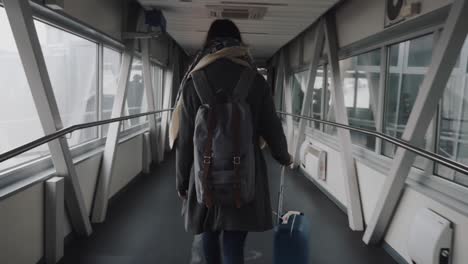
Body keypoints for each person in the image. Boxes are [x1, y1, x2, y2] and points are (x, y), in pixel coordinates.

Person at [175, 19, 291, 264]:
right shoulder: (256, 81)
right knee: (234, 241)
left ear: (209, 43)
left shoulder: (194, 81)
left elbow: (185, 140)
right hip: (245, 173)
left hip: (203, 173)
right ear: (239, 43)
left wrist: (183, 182)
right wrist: (283, 156)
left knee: (208, 234)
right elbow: (272, 126)